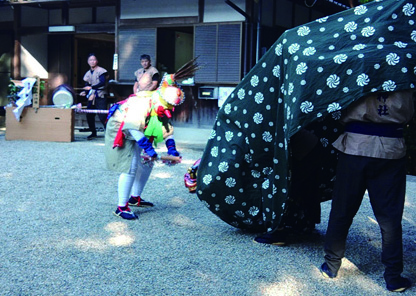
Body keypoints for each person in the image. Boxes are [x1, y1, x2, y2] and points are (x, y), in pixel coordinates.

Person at [320, 90, 414, 293]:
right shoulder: (404, 70)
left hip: (355, 146)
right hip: (391, 148)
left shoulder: (356, 67)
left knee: (342, 208)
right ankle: (393, 276)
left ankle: (332, 265)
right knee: (389, 216)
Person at [105, 58, 199, 220]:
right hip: (122, 127)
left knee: (147, 164)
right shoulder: (143, 103)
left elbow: (167, 129)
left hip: (139, 128)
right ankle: (121, 207)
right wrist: (150, 149)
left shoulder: (161, 105)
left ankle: (135, 197)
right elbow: (133, 128)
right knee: (131, 166)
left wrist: (172, 150)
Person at [80, 53, 108, 140]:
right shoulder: (88, 73)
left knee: (102, 115)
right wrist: (84, 91)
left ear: (97, 61)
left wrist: (91, 87)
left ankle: (108, 133)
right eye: (90, 60)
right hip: (91, 95)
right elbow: (87, 84)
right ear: (88, 62)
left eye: (94, 60)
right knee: (89, 114)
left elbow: (102, 82)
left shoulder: (101, 71)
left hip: (100, 95)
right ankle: (93, 132)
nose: (92, 61)